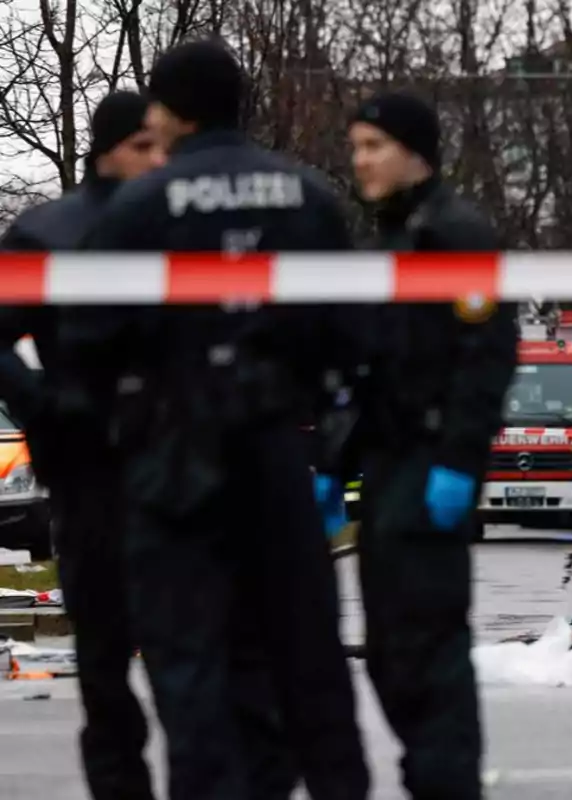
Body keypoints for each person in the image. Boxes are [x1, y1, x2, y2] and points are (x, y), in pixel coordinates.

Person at [78, 41, 368, 800]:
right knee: (302, 653)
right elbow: (347, 334)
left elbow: (90, 342)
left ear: (168, 111)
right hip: (276, 454)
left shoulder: (143, 205)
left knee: (188, 656)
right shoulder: (306, 198)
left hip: (177, 465)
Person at [345, 90, 519, 800]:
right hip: (386, 467)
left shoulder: (457, 233)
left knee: (432, 651)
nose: (359, 161)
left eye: (373, 146)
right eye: (355, 147)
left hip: (430, 465)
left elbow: (486, 359)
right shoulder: (392, 237)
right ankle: (429, 773)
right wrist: (335, 463)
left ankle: (446, 785)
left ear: (413, 151)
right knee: (388, 650)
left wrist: (458, 461)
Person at [0, 90, 166, 800]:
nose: (160, 161)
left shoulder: (177, 227)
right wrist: (45, 407)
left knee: (190, 663)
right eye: (144, 147)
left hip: (173, 474)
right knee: (103, 666)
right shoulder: (50, 232)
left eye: (166, 146)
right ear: (110, 149)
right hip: (88, 476)